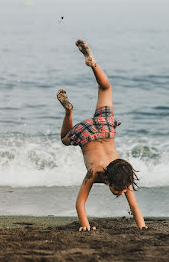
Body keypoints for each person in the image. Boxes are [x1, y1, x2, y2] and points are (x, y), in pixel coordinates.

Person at [57, 40, 146, 231]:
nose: (122, 193)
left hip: (105, 128)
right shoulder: (95, 172)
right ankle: (68, 112)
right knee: (65, 139)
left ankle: (93, 63)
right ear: (108, 180)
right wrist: (85, 227)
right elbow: (80, 203)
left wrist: (142, 227)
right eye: (120, 191)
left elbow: (134, 206)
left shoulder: (122, 174)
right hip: (87, 134)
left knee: (106, 88)